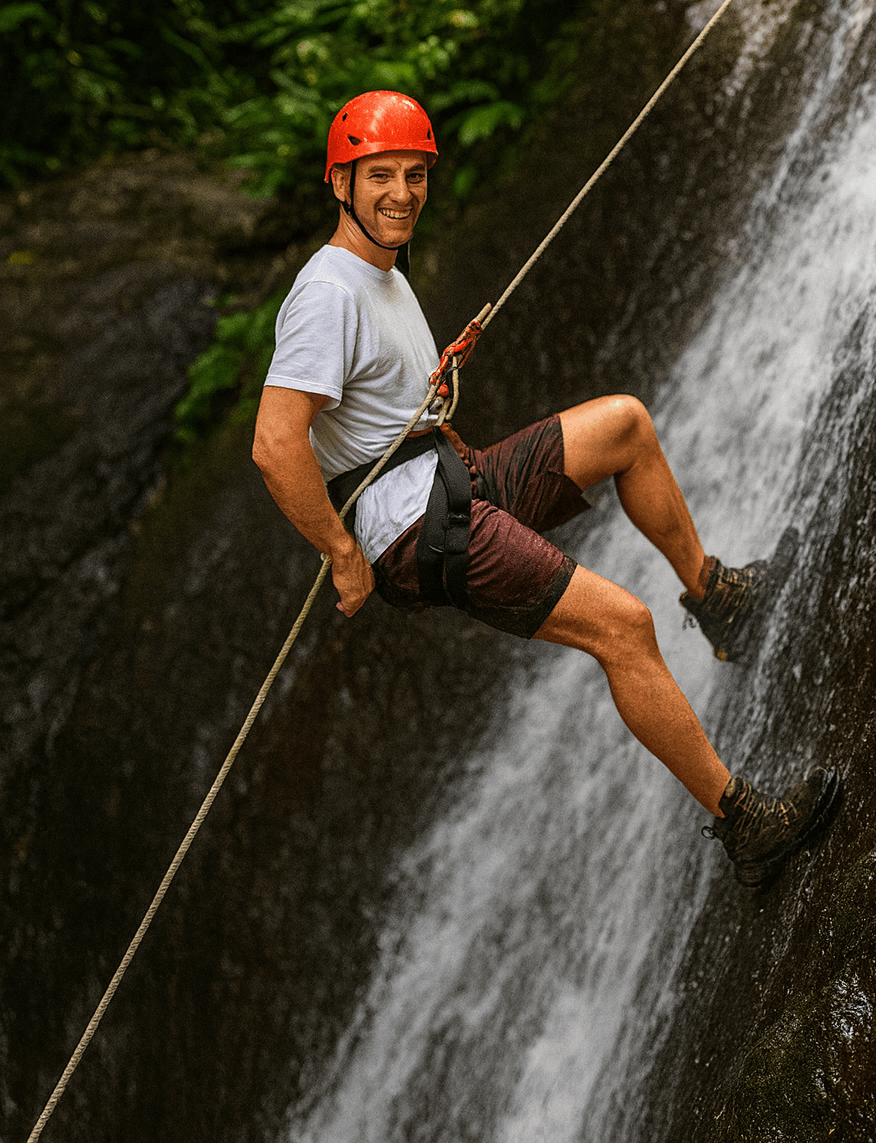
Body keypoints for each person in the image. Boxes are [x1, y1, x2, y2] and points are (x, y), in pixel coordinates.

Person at [252, 90, 841, 888]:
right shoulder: (328, 295)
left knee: (625, 426)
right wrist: (339, 551)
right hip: (414, 529)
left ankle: (717, 595)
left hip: (450, 484)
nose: (400, 193)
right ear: (340, 184)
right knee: (624, 628)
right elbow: (274, 441)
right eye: (379, 175)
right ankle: (745, 826)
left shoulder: (380, 276)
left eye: (415, 175)